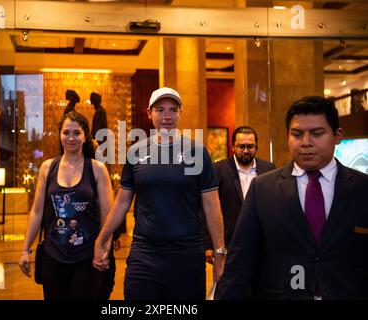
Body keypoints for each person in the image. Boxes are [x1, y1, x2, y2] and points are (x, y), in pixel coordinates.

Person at [215, 96, 368, 300]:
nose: (306, 142)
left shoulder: (362, 188)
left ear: (337, 135)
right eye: (297, 134)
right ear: (287, 137)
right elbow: (240, 262)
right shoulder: (263, 189)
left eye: (317, 133)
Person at [93, 87, 226, 300]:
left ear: (180, 113)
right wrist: (103, 236)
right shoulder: (136, 152)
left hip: (186, 257)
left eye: (173, 110)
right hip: (144, 256)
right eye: (160, 109)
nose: (167, 116)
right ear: (149, 113)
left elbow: (212, 205)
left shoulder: (197, 152)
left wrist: (220, 252)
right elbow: (122, 201)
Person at [18, 110, 113, 300]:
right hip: (53, 255)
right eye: (66, 132)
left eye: (77, 133)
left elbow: (108, 215)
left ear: (85, 136)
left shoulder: (97, 169)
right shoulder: (47, 168)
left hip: (87, 255)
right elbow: (37, 212)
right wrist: (25, 249)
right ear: (59, 134)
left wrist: (104, 249)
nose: (71, 138)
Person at [202, 126, 275, 264]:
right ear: (233, 146)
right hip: (228, 245)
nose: (246, 150)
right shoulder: (218, 170)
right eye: (241, 146)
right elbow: (207, 207)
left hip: (261, 244)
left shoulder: (269, 169)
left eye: (250, 146)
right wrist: (209, 245)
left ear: (256, 146)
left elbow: (274, 207)